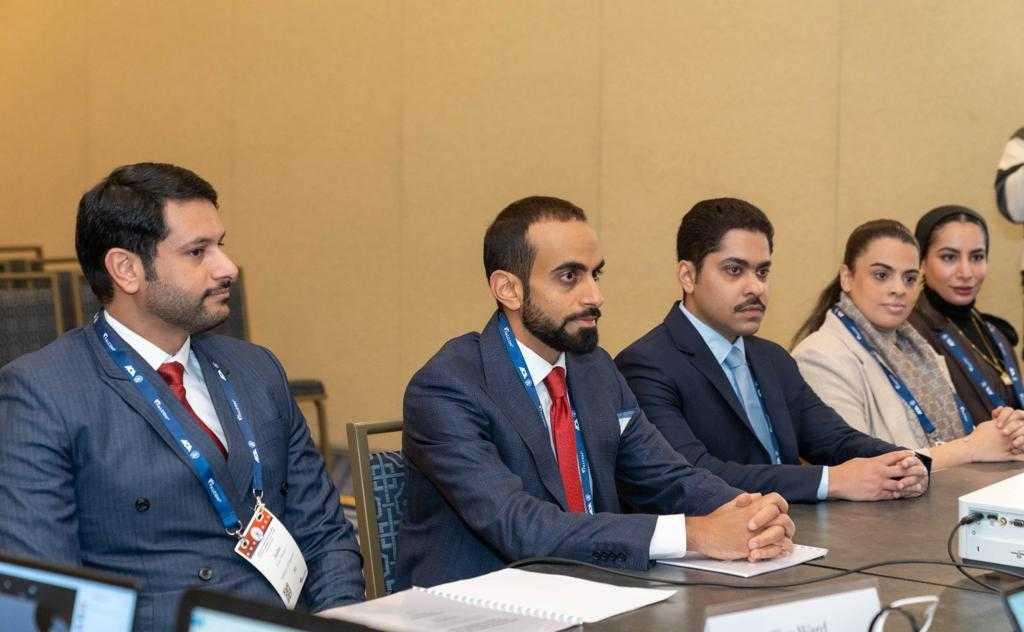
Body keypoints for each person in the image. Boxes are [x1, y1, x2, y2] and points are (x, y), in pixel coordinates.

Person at [0, 163, 363, 631]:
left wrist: (338, 618)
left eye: (221, 245)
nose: (227, 267)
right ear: (127, 269)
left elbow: (325, 531)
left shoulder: (256, 370)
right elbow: (49, 599)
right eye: (197, 251)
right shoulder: (43, 393)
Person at [398, 196, 795, 589]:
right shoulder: (447, 387)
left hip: (592, 588)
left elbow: (666, 476)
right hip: (478, 601)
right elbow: (520, 525)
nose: (594, 296)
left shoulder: (595, 369)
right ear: (509, 289)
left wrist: (749, 513)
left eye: (595, 275)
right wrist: (696, 534)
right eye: (569, 277)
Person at [616, 198, 928, 504]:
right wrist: (833, 480)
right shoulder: (646, 365)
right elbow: (693, 474)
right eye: (734, 270)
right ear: (688, 276)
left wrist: (903, 462)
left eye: (762, 272)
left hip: (794, 528)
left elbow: (835, 439)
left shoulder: (773, 358)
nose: (757, 288)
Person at [791, 219, 1024, 469]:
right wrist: (972, 448)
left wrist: (1004, 431)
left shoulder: (919, 348)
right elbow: (860, 470)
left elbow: (948, 441)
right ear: (847, 277)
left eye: (910, 278)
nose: (899, 289)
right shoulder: (819, 357)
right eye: (882, 275)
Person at [909, 205, 1024, 433]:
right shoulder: (909, 334)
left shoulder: (996, 333)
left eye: (977, 257)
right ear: (921, 262)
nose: (966, 273)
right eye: (949, 257)